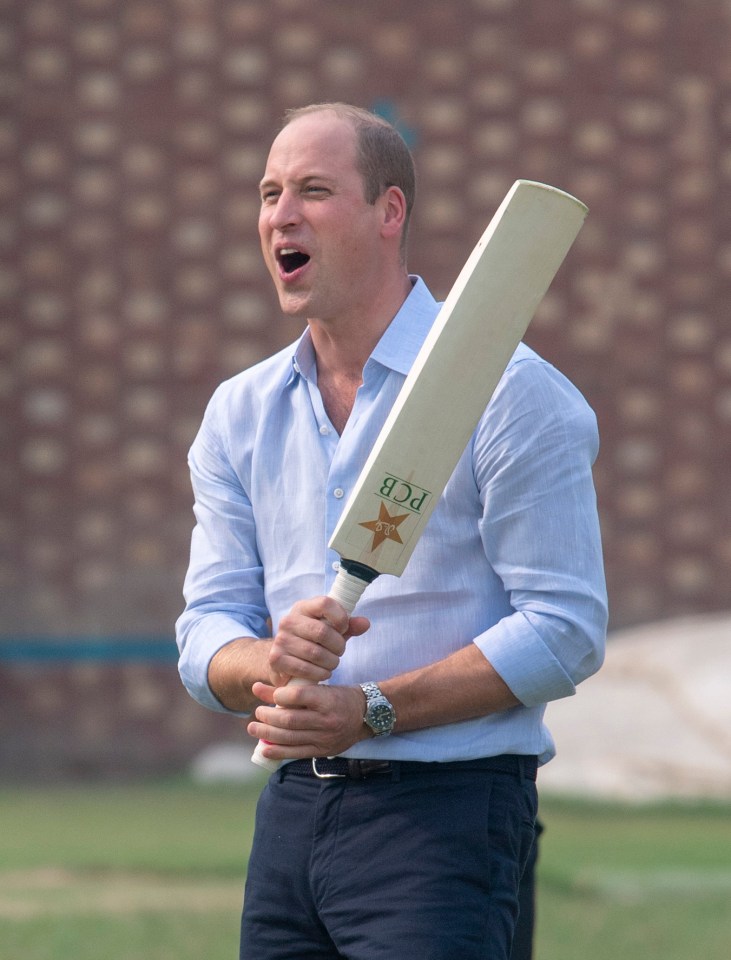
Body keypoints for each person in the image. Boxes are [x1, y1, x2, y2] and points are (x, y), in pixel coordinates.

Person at [176, 102, 607, 960]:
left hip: (446, 820)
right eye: (268, 193)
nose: (279, 216)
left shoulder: (512, 394)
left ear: (389, 212)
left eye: (312, 190)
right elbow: (205, 631)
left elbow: (564, 634)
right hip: (292, 815)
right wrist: (269, 660)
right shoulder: (240, 412)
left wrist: (367, 710)